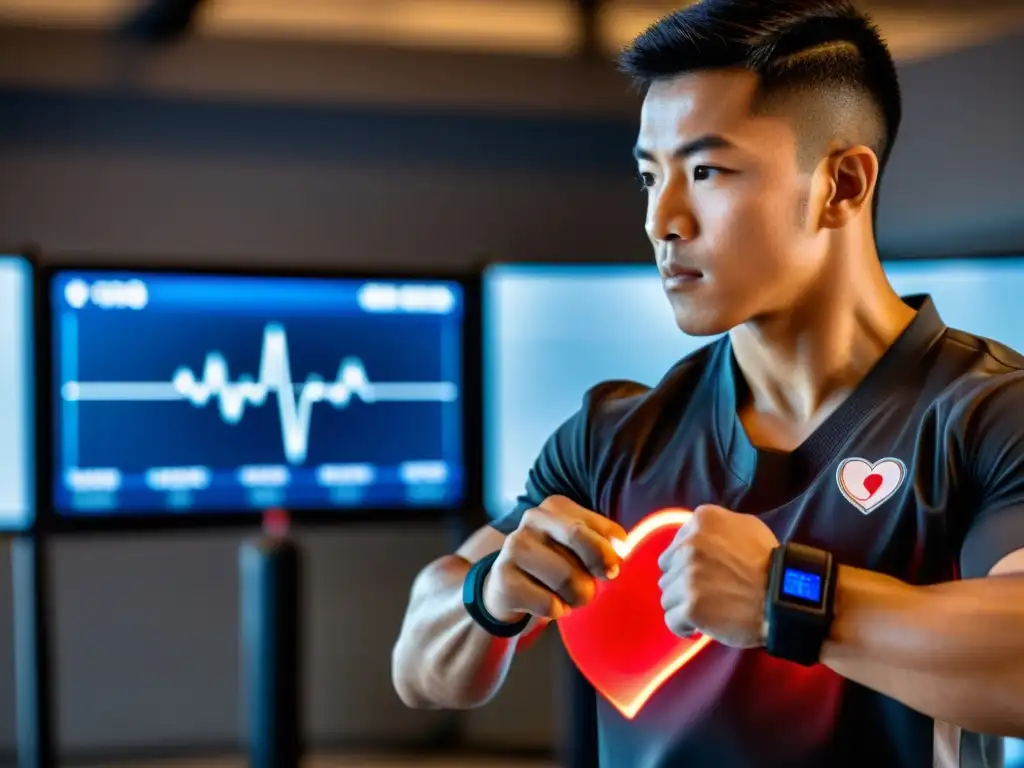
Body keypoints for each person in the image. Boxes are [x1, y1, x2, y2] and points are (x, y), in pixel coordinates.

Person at [390, 1, 1024, 765]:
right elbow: (421, 673)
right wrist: (489, 595)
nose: (664, 218)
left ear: (842, 185)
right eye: (649, 176)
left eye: (706, 170)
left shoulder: (989, 413)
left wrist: (782, 596)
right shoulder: (612, 434)